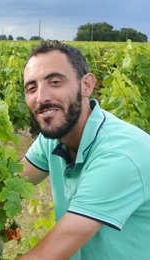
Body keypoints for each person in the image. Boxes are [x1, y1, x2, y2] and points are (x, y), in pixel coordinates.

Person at [17, 40, 150, 259]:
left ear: (86, 85)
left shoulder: (119, 154)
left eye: (55, 82)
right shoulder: (53, 138)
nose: (41, 98)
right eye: (32, 88)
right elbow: (8, 188)